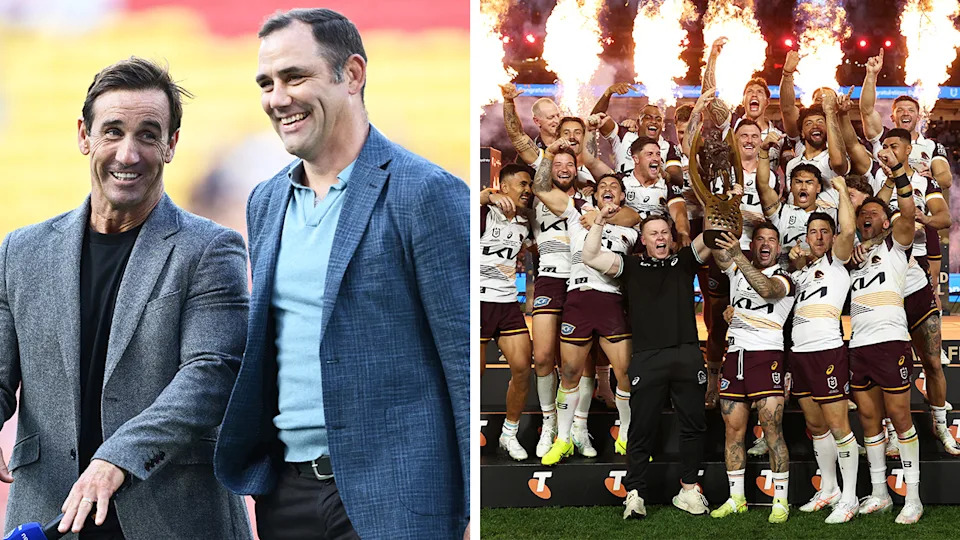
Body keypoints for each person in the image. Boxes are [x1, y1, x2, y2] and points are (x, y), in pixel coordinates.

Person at [213, 9, 469, 539]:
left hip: (398, 499)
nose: (277, 98)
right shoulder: (265, 202)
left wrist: (475, 515)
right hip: (286, 498)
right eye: (267, 83)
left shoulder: (427, 193)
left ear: (352, 74)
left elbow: (463, 366)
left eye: (295, 77)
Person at [0, 57, 251, 539]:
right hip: (48, 513)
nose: (128, 154)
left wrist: (117, 456)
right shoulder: (19, 252)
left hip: (176, 518)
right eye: (112, 131)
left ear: (172, 145)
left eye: (148, 135)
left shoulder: (211, 250)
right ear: (84, 136)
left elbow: (212, 373)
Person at [581, 181, 741, 517]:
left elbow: (710, 237)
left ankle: (688, 490)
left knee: (694, 424)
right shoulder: (631, 266)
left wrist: (726, 202)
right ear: (643, 239)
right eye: (653, 233)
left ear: (671, 236)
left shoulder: (685, 261)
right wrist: (600, 220)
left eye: (664, 232)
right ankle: (635, 492)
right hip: (648, 357)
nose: (659, 238)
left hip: (685, 354)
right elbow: (590, 255)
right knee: (641, 428)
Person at [533, 139, 640, 465]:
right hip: (577, 297)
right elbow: (540, 189)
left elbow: (634, 216)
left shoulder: (631, 226)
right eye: (602, 185)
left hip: (611, 301)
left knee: (625, 372)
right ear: (592, 194)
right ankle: (563, 438)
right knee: (568, 371)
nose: (608, 188)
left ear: (621, 197)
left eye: (614, 187)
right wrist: (549, 155)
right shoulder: (574, 211)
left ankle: (625, 436)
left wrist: (602, 217)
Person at [848, 144, 922, 524]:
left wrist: (898, 174)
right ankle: (879, 493)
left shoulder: (897, 246)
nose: (866, 217)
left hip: (891, 340)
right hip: (858, 344)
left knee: (900, 415)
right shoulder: (852, 257)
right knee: (868, 419)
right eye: (863, 214)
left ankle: (914, 497)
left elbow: (908, 211)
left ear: (887, 221)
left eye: (874, 213)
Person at [709, 226, 795, 524]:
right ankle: (737, 498)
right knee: (733, 430)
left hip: (766, 357)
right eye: (759, 239)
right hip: (735, 357)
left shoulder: (785, 278)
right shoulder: (735, 269)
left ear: (779, 247)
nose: (765, 244)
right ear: (752, 244)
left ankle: (780, 501)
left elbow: (767, 290)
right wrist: (716, 209)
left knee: (772, 430)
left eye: (772, 239)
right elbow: (715, 246)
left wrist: (739, 257)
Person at [787, 177, 861, 523]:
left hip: (827, 351)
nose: (818, 236)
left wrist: (843, 191)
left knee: (838, 426)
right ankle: (829, 488)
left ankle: (850, 497)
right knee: (816, 426)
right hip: (798, 353)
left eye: (823, 231)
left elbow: (848, 230)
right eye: (812, 231)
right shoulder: (802, 273)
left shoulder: (837, 261)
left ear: (831, 237)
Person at [478, 165, 534, 460]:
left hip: (508, 303)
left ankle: (509, 434)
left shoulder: (527, 221)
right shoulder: (485, 212)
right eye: (522, 184)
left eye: (530, 185)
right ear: (506, 186)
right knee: (477, 372)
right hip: (477, 302)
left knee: (523, 369)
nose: (527, 189)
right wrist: (484, 196)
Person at [501, 83, 562, 162]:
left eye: (558, 116)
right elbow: (516, 133)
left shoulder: (570, 142)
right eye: (551, 117)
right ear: (537, 121)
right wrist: (508, 102)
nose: (557, 121)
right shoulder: (532, 150)